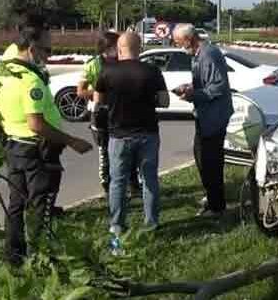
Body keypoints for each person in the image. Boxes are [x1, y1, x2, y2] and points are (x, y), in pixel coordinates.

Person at [0, 22, 93, 266]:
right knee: (41, 206)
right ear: (31, 48)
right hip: (35, 149)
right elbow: (36, 124)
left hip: (13, 146)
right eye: (47, 50)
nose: (48, 56)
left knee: (16, 205)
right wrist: (72, 141)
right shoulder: (31, 81)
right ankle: (40, 258)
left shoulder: (2, 71)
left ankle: (14, 257)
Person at [94, 32, 169, 237]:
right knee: (149, 179)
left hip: (118, 135)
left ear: (119, 49)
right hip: (147, 133)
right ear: (140, 48)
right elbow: (164, 102)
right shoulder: (152, 71)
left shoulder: (107, 71)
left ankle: (117, 225)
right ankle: (151, 223)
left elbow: (98, 101)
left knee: (117, 181)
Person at [172, 24, 233, 218]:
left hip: (213, 117)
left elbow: (218, 87)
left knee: (210, 162)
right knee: (201, 157)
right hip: (205, 115)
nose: (179, 46)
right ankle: (212, 197)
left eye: (179, 42)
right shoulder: (199, 54)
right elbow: (206, 82)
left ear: (189, 39)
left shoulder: (208, 54)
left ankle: (217, 207)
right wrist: (190, 86)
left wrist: (193, 95)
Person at [77, 32, 142, 195]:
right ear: (107, 47)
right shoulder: (92, 65)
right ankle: (108, 186)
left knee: (129, 148)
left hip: (122, 111)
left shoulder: (125, 61)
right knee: (105, 152)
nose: (120, 48)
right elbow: (81, 91)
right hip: (101, 113)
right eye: (117, 45)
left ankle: (133, 185)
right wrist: (100, 91)